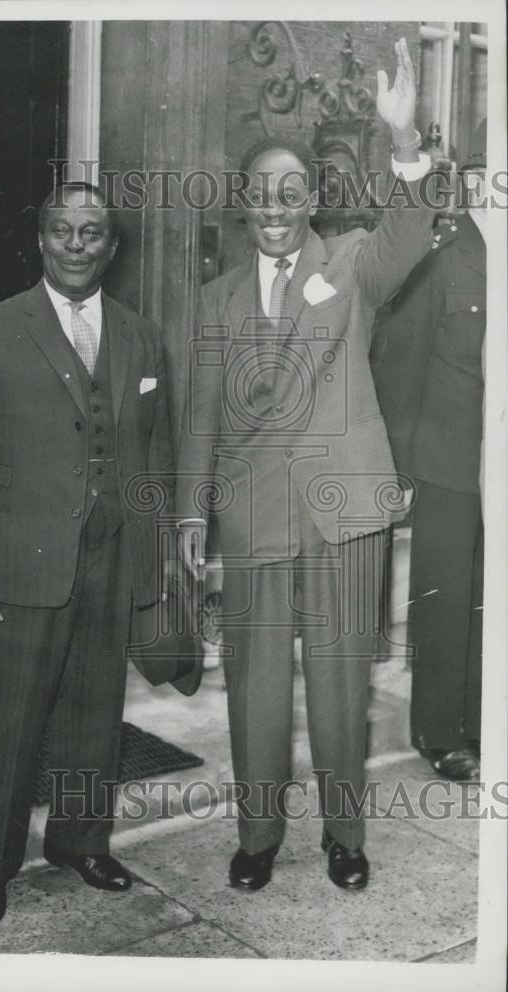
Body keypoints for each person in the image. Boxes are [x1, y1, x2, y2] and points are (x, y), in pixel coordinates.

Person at [175, 39, 435, 892]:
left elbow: (407, 234)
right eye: (263, 195)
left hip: (345, 510)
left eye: (293, 192)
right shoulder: (214, 299)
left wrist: (405, 146)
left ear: (310, 199)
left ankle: (345, 837)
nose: (278, 208)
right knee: (252, 691)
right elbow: (199, 418)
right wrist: (188, 516)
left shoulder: (352, 261)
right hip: (254, 516)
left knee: (338, 683)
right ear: (245, 206)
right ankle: (257, 838)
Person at [0, 182, 173, 925]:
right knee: (8, 720)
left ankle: (79, 841)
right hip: (22, 562)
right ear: (40, 240)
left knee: (95, 714)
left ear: (113, 245)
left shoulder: (141, 335)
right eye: (61, 230)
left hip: (111, 557)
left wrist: (153, 559)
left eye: (92, 232)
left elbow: (153, 456)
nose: (76, 245)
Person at [371, 120, 487, 782]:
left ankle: (484, 716)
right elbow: (402, 363)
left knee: (490, 596)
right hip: (447, 456)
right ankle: (441, 731)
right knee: (447, 595)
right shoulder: (442, 254)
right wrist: (397, 466)